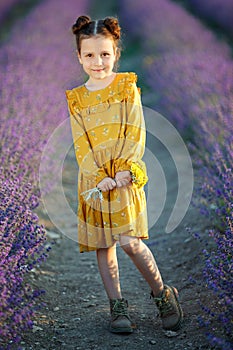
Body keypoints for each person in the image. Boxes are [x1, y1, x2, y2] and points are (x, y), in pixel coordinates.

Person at [65, 15, 183, 334]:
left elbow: (135, 130)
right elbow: (81, 144)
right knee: (105, 246)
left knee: (130, 242)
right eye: (89, 55)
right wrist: (96, 175)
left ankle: (162, 294)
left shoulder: (126, 87)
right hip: (95, 181)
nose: (98, 61)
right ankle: (117, 307)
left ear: (116, 53)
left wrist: (124, 169)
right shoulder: (76, 99)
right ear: (79, 56)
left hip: (124, 176)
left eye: (105, 53)